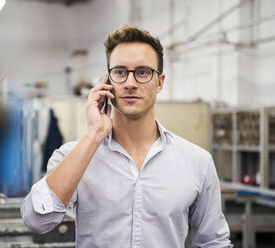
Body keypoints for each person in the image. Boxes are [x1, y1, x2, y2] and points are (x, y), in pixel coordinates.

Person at [20, 25, 233, 248]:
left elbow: (214, 242)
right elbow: (36, 221)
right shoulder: (73, 156)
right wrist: (94, 134)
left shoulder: (197, 162)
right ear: (107, 82)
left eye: (142, 72)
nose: (130, 83)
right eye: (120, 72)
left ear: (159, 82)